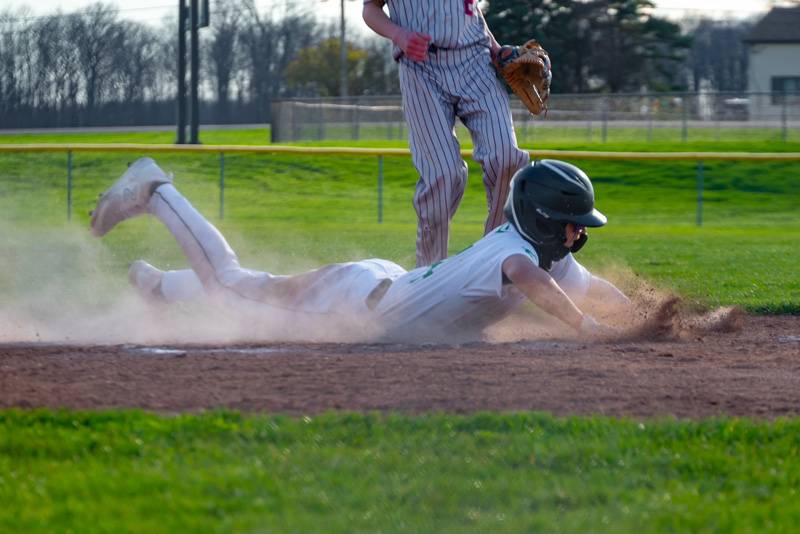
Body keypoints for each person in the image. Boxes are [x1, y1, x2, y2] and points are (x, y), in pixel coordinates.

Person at [90, 158, 630, 343]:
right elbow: (531, 282)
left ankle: (159, 285)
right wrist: (585, 327)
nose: (578, 234)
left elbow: (592, 287)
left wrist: (643, 318)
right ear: (542, 219)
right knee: (231, 285)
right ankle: (156, 190)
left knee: (260, 290)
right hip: (353, 305)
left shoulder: (545, 254)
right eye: (571, 225)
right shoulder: (513, 257)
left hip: (380, 285)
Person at [362, 0, 531, 267]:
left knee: (507, 157)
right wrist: (399, 35)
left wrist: (496, 48)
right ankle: (428, 274)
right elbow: (370, 8)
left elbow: (469, 10)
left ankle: (495, 258)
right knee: (442, 175)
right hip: (420, 65)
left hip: (476, 60)